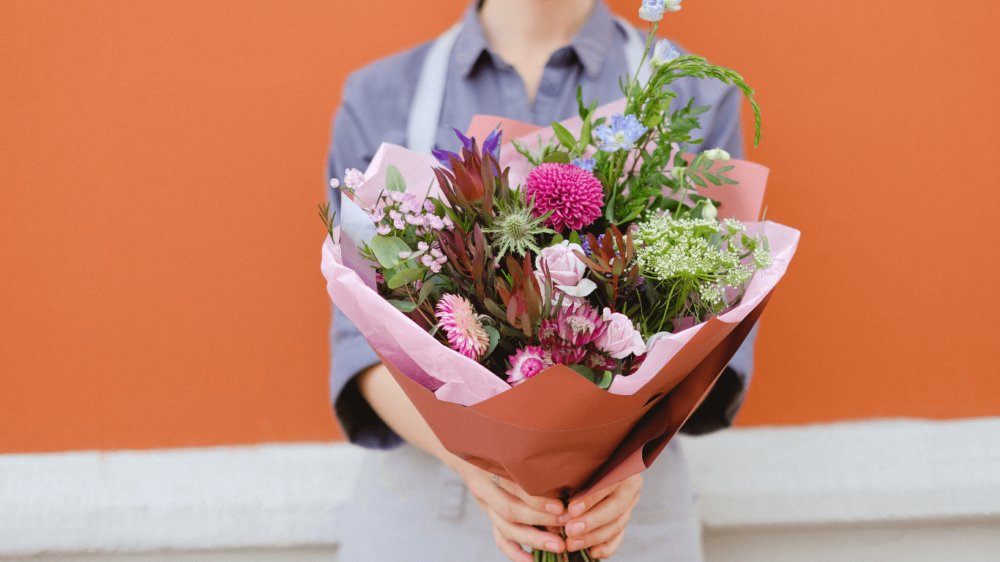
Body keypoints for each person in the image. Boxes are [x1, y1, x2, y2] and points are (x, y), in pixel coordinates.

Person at [326, 1, 755, 560]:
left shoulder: (695, 95)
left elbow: (716, 326)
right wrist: (477, 468)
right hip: (434, 509)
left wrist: (624, 463)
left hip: (624, 512)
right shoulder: (379, 97)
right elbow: (360, 340)